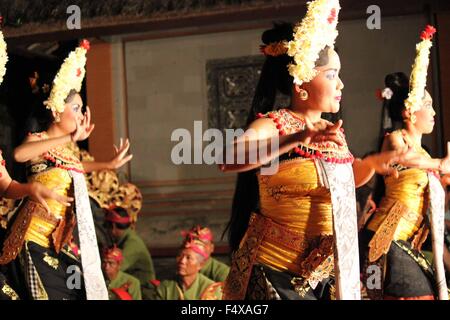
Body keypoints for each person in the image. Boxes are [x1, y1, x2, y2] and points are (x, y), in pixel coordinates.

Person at [219, 0, 405, 300]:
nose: (341, 84)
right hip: (276, 271)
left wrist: (371, 164)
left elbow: (343, 181)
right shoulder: (275, 124)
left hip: (327, 272)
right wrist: (295, 139)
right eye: (332, 75)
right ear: (301, 84)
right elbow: (228, 159)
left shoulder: (333, 132)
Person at [0, 40, 132, 300]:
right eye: (77, 108)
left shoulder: (67, 153)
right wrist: (68, 140)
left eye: (82, 108)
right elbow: (20, 154)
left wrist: (108, 164)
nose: (82, 115)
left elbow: (73, 167)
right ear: (57, 110)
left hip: (56, 243)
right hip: (31, 239)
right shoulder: (37, 140)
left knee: (83, 290)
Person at [361, 26, 450, 300]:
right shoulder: (395, 139)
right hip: (387, 236)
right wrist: (438, 164)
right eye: (429, 105)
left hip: (405, 240)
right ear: (409, 112)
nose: (434, 112)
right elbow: (400, 158)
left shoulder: (423, 154)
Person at [104, 206, 156, 287]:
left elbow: (113, 270)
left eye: (106, 226)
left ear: (113, 226)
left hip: (144, 290)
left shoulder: (132, 243)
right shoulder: (124, 240)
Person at [155, 239, 222, 300]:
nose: (182, 261)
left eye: (188, 258)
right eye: (179, 256)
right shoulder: (165, 287)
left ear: (200, 265)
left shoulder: (211, 289)